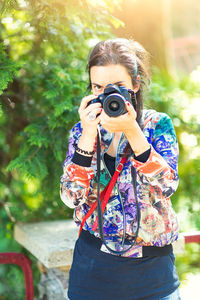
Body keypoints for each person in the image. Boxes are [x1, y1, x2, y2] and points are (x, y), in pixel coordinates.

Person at [60, 38, 181, 300]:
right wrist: (87, 137)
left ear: (136, 85)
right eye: (98, 87)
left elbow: (168, 185)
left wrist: (133, 132)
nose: (107, 95)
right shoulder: (83, 131)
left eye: (117, 87)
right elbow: (71, 197)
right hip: (93, 271)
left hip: (153, 273)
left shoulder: (156, 125)